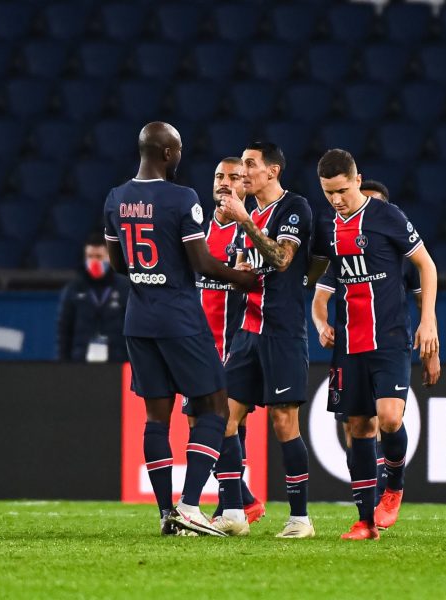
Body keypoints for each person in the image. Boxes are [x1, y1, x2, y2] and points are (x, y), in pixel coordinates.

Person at [103, 122, 257, 537]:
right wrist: (241, 279)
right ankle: (190, 507)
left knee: (156, 417)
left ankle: (165, 513)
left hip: (138, 320)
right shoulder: (182, 197)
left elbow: (118, 265)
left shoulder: (116, 198)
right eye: (180, 150)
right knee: (216, 407)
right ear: (169, 154)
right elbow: (202, 263)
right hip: (179, 319)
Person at [312, 149, 439, 541]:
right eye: (328, 192)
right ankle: (365, 522)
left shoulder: (388, 217)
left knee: (389, 418)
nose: (336, 200)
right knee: (358, 426)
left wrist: (429, 320)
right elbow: (317, 287)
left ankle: (395, 484)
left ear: (356, 179)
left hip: (388, 339)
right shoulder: (328, 229)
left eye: (342, 190)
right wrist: (319, 320)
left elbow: (426, 266)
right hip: (349, 344)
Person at [212, 142, 315, 538]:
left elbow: (284, 259)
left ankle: (300, 518)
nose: (244, 171)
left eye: (251, 165)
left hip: (283, 331)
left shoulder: (294, 208)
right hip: (248, 331)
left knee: (284, 422)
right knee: (223, 417)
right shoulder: (251, 214)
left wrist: (243, 221)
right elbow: (248, 271)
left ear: (272, 171)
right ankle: (235, 511)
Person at [187, 158, 265, 525]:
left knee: (225, 422)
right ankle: (242, 499)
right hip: (197, 344)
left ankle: (232, 504)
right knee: (197, 424)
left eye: (234, 177)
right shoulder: (196, 228)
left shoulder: (251, 232)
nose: (225, 182)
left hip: (234, 344)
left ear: (247, 184)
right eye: (219, 176)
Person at [56, 233, 130, 362]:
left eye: (99, 256)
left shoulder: (124, 288)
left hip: (117, 362)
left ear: (109, 257)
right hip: (81, 362)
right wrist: (63, 365)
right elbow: (64, 331)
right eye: (90, 256)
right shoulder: (74, 289)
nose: (94, 261)